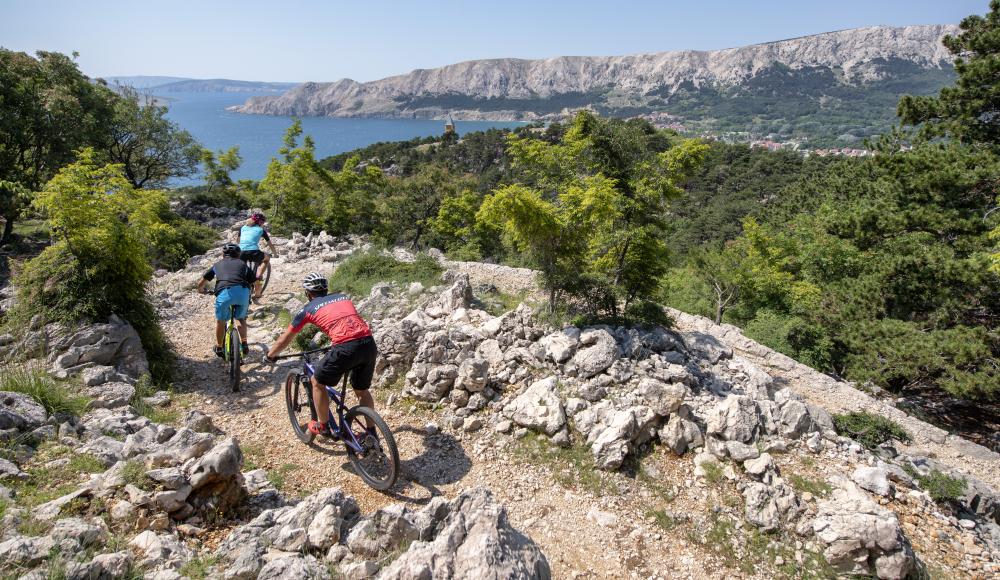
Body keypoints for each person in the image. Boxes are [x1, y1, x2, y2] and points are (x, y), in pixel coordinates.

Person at [264, 273, 378, 436]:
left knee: (316, 382)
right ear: (326, 289)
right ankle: (371, 431)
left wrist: (270, 355)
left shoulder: (307, 309)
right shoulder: (343, 297)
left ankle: (324, 426)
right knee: (361, 390)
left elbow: (285, 338)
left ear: (308, 293)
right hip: (368, 343)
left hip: (345, 347)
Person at [197, 243, 256, 359]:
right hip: (242, 293)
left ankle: (219, 347)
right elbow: (255, 281)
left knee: (221, 321)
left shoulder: (217, 265)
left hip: (224, 293)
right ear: (238, 255)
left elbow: (202, 282)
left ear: (223, 254)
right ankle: (244, 344)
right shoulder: (242, 264)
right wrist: (257, 293)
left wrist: (200, 290)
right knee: (240, 318)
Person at [238, 210, 278, 299]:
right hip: (253, 252)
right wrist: (275, 254)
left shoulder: (243, 228)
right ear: (260, 222)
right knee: (267, 259)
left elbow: (238, 241)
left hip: (241, 252)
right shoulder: (261, 230)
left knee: (242, 269)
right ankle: (258, 275)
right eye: (263, 222)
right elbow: (270, 244)